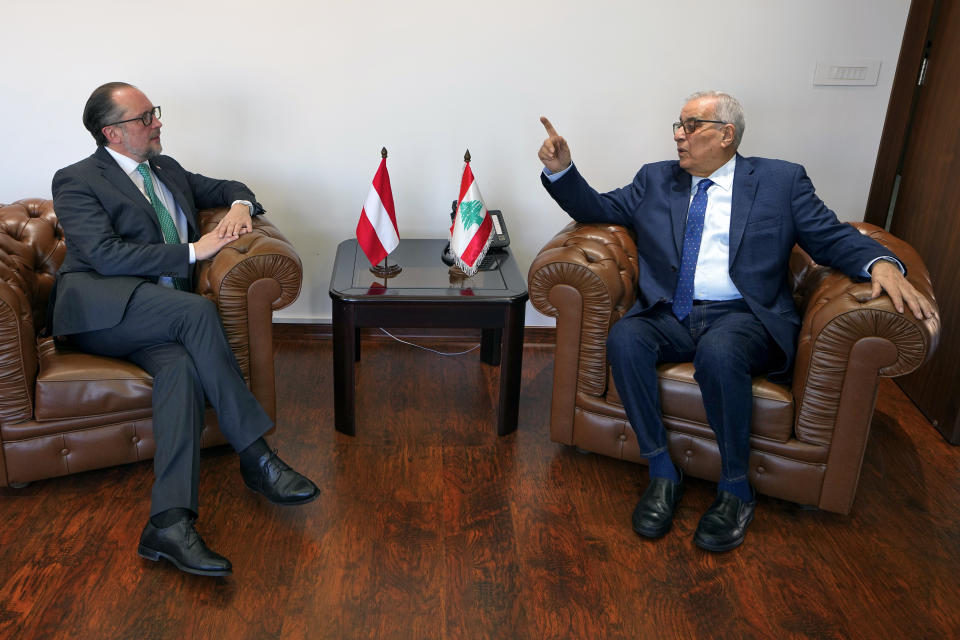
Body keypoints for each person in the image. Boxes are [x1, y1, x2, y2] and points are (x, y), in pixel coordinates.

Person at [537, 91, 934, 552]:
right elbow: (599, 209)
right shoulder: (655, 179)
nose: (678, 136)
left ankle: (736, 487)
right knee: (626, 339)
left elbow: (829, 237)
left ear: (727, 135)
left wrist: (880, 263)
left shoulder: (779, 181)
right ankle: (662, 469)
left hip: (743, 317)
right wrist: (561, 170)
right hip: (671, 312)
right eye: (677, 125)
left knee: (719, 353)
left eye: (691, 126)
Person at [50, 82, 319, 577]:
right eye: (144, 117)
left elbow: (230, 188)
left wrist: (240, 207)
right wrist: (198, 250)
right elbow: (106, 256)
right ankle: (257, 457)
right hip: (102, 311)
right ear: (112, 132)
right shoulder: (76, 180)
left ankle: (168, 524)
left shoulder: (166, 170)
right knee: (195, 312)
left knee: (180, 371)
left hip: (160, 315)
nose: (157, 122)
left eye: (155, 112)